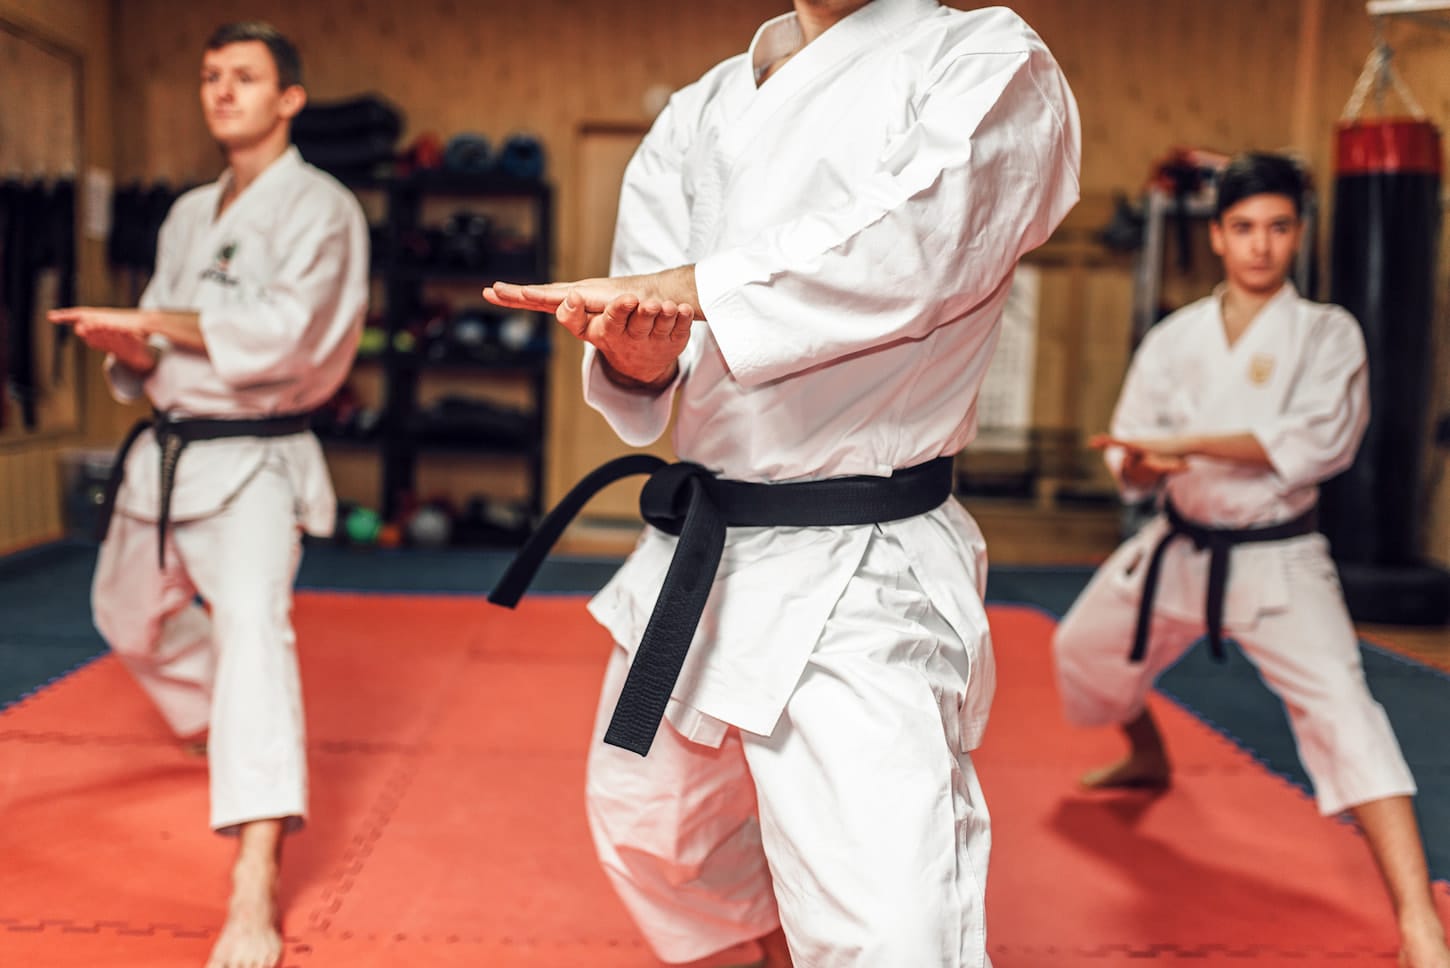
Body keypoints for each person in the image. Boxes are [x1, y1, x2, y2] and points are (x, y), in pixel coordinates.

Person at [484, 1, 1080, 964]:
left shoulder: (984, 58)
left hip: (862, 559)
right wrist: (639, 354)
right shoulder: (701, 107)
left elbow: (921, 246)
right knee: (657, 836)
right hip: (701, 553)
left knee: (890, 929)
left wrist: (697, 287)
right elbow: (655, 338)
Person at [1051, 152, 1450, 968]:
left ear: (1298, 234)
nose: (1261, 245)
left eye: (1277, 227)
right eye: (1243, 228)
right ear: (1217, 236)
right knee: (1078, 653)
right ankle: (1149, 751)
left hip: (1279, 559)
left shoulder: (1328, 333)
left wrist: (1182, 444)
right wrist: (1139, 465)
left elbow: (1306, 447)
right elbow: (1128, 452)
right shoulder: (1175, 337)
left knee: (1347, 715)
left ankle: (1419, 923)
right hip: (1178, 546)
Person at [48, 22, 368, 968]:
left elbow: (287, 335)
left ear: (289, 98)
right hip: (169, 450)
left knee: (253, 640)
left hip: (257, 463)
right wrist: (126, 344)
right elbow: (164, 339)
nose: (221, 91)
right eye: (209, 77)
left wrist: (154, 322)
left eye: (244, 77)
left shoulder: (323, 207)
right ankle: (214, 723)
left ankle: (255, 875)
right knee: (123, 616)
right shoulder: (189, 212)